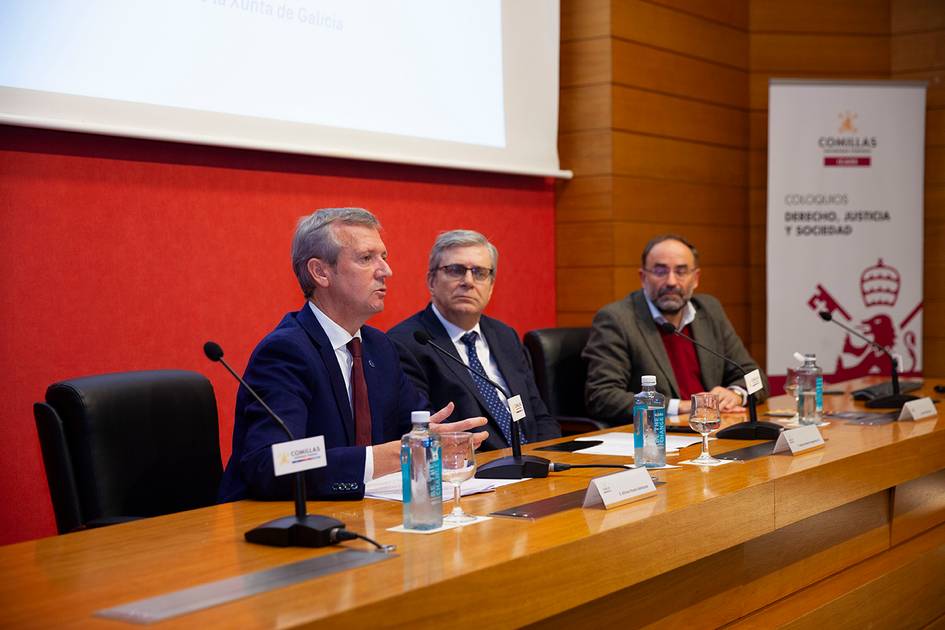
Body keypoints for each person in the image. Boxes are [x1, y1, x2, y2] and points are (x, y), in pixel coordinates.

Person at [218, 209, 487, 502]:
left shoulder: (379, 348)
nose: (386, 270)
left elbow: (409, 431)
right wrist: (392, 455)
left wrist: (433, 435)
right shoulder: (285, 352)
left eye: (384, 256)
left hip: (363, 515)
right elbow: (273, 462)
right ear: (320, 272)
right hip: (272, 525)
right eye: (366, 258)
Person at [388, 230, 561, 451]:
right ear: (431, 281)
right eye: (455, 270)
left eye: (479, 273)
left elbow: (539, 414)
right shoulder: (408, 343)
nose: (468, 282)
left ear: (491, 286)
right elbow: (425, 429)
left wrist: (551, 457)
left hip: (534, 464)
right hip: (475, 471)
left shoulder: (505, 335)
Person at [583, 234, 767, 424]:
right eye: (660, 271)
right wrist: (682, 406)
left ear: (695, 278)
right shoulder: (617, 319)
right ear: (643, 277)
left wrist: (735, 394)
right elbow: (602, 397)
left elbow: (754, 375)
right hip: (659, 437)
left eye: (681, 271)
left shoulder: (709, 310)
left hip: (715, 429)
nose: (671, 281)